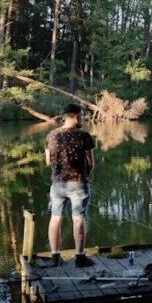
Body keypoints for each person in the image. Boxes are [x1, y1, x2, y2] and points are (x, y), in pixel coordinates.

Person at [45, 103, 96, 267]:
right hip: (77, 183)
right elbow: (91, 162)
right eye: (81, 115)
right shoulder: (84, 136)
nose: (82, 118)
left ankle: (55, 256)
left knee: (55, 218)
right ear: (75, 116)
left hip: (57, 184)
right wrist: (86, 176)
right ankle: (80, 257)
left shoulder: (51, 135)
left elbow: (48, 162)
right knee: (78, 219)